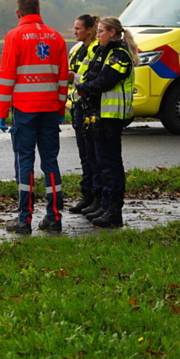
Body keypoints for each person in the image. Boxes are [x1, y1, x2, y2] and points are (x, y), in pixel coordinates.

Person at [0, 0, 69, 234]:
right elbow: (62, 78)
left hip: (24, 110)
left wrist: (1, 113)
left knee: (24, 162)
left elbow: (7, 77)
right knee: (50, 162)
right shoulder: (56, 36)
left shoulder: (14, 36)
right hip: (49, 108)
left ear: (18, 13)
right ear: (39, 9)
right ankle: (54, 217)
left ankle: (24, 219)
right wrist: (60, 109)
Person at [76, 16, 139, 228]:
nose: (98, 34)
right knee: (100, 162)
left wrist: (85, 87)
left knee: (111, 165)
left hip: (112, 116)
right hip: (100, 114)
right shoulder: (106, 52)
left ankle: (114, 211)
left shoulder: (119, 55)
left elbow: (105, 81)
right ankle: (104, 204)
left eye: (101, 31)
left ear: (112, 33)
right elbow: (91, 77)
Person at [66, 14, 100, 216]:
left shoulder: (97, 49)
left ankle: (96, 197)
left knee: (94, 156)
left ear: (89, 29)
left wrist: (74, 77)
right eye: (74, 28)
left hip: (91, 105)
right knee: (84, 156)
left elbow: (92, 77)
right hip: (77, 105)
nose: (75, 31)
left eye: (78, 28)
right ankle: (86, 196)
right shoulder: (76, 49)